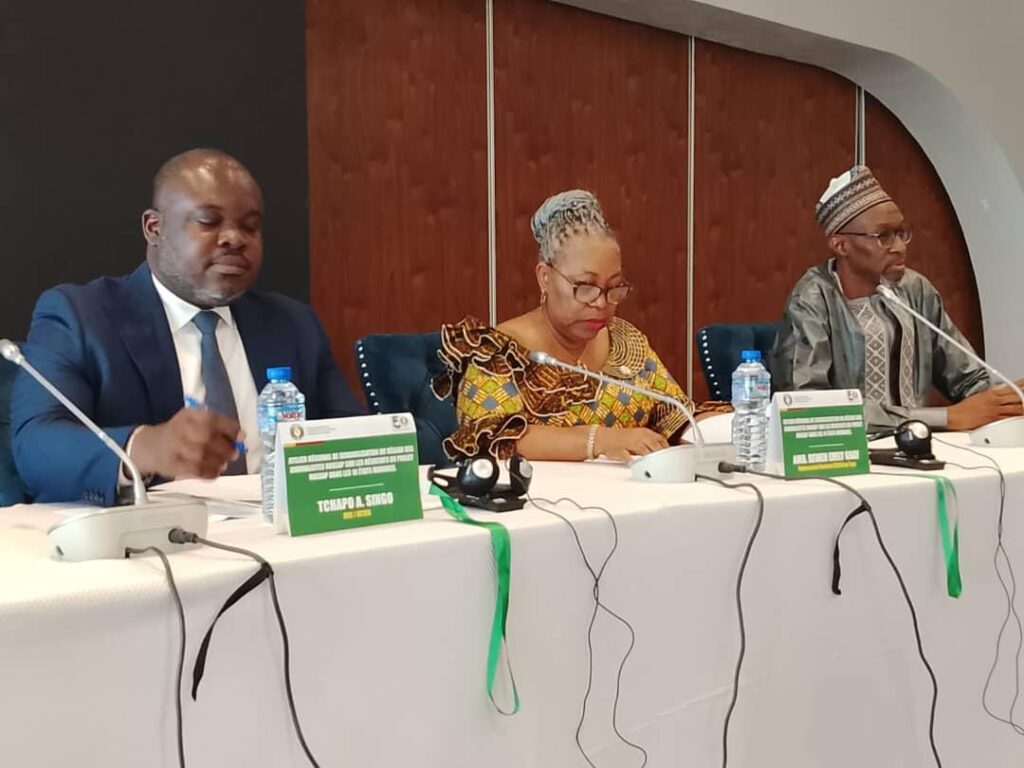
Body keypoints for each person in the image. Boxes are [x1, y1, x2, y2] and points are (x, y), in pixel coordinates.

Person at [12, 148, 362, 504]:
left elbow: (353, 438)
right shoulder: (81, 316)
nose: (234, 238)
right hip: (151, 531)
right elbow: (36, 445)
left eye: (250, 226)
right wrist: (146, 447)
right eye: (209, 222)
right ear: (154, 228)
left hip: (276, 527)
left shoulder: (293, 324)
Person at [433, 189, 728, 463]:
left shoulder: (625, 342)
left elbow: (675, 415)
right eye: (585, 287)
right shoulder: (496, 353)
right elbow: (492, 439)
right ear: (545, 277)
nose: (601, 303)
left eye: (614, 288)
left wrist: (728, 429)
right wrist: (600, 440)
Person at [770, 165, 1022, 431]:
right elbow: (809, 408)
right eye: (883, 237)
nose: (900, 247)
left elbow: (968, 378)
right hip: (849, 450)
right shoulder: (812, 299)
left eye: (901, 233)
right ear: (841, 245)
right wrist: (945, 418)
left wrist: (1006, 401)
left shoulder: (915, 289)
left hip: (920, 443)